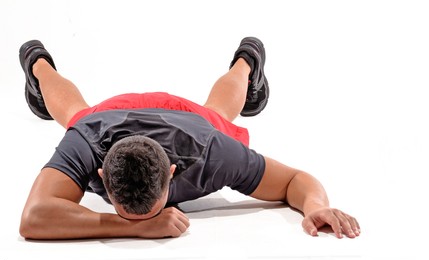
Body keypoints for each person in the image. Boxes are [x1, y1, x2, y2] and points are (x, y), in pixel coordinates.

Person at [19, 37, 360, 240]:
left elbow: (294, 180)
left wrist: (317, 206)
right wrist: (133, 229)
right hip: (106, 119)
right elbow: (32, 218)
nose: (143, 220)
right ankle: (37, 63)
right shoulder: (87, 143)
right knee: (75, 115)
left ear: (171, 172)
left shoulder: (212, 153)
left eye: (147, 214)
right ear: (102, 175)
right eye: (128, 213)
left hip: (192, 123)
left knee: (219, 114)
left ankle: (246, 62)